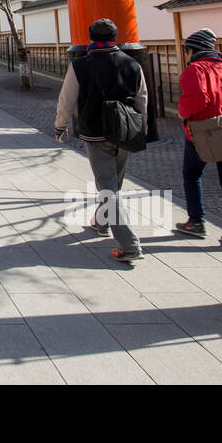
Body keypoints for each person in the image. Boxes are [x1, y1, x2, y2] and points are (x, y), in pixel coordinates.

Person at [53, 18, 149, 264]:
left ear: (90, 37)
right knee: (113, 182)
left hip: (95, 131)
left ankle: (129, 243)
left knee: (107, 186)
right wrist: (142, 128)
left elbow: (67, 99)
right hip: (125, 131)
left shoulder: (81, 65)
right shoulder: (131, 64)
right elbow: (142, 100)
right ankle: (102, 221)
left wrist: (60, 125)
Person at [173, 28, 222, 251]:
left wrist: (182, 112)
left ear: (193, 49)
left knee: (192, 175)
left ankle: (196, 221)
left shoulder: (194, 70)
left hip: (202, 133)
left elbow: (196, 101)